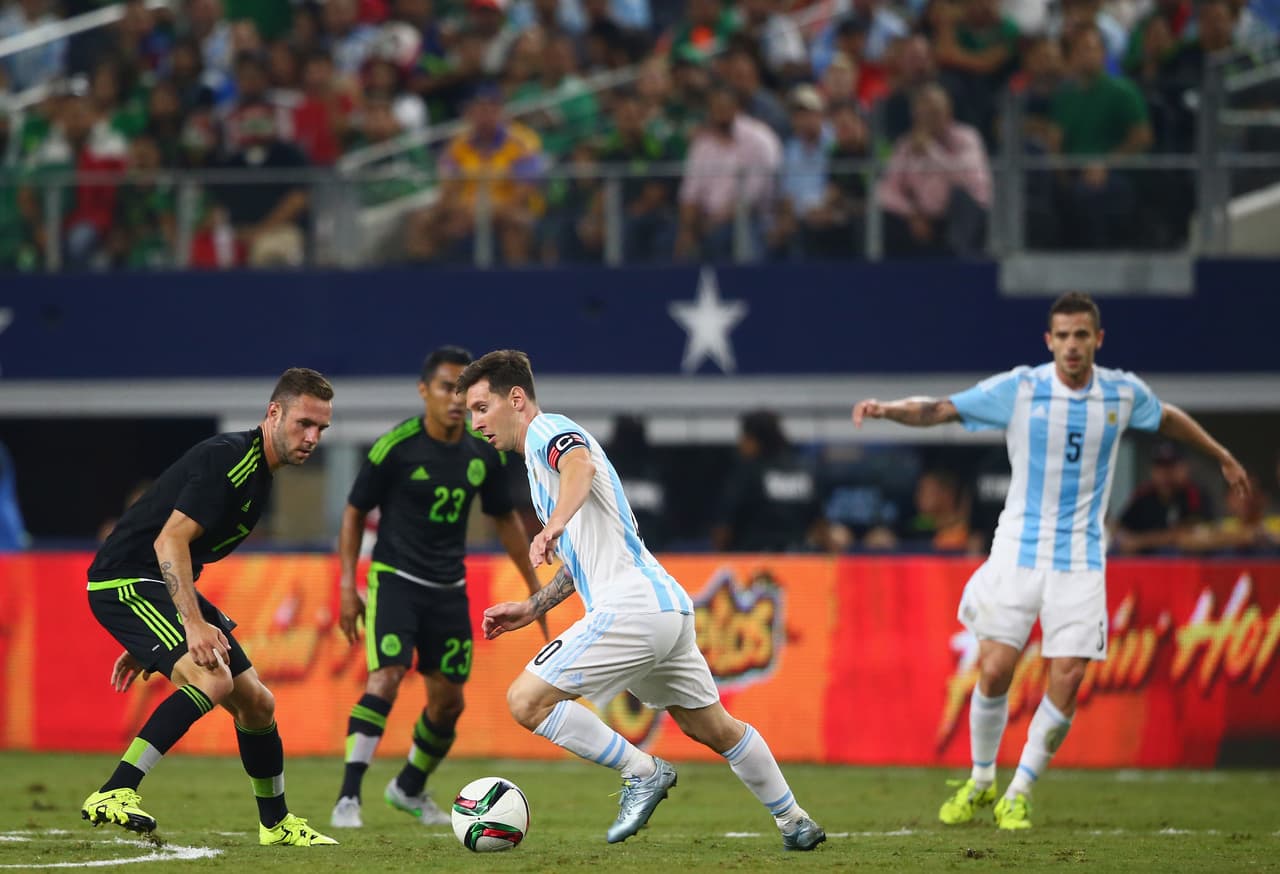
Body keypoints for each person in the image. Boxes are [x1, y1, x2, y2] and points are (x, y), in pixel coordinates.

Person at [852, 292, 1249, 829]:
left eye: (1081, 335)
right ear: (1049, 341)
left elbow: (1169, 418)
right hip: (1018, 549)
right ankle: (981, 780)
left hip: (1081, 558)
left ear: (1097, 340)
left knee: (1068, 674)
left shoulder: (1121, 393)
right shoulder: (1022, 388)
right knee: (994, 670)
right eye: (1062, 336)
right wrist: (887, 410)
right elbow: (942, 408)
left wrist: (1221, 454)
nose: (1071, 346)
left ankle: (1020, 790)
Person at [457, 350, 826, 852]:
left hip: (630, 607)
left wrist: (555, 523)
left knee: (526, 700)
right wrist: (534, 606)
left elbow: (580, 467)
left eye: (481, 407)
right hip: (663, 607)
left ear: (515, 399)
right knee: (712, 727)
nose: (476, 422)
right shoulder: (535, 465)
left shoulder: (547, 431)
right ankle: (795, 821)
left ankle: (643, 772)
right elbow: (583, 559)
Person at [81, 368, 338, 847]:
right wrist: (191, 623)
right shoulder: (231, 459)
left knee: (258, 704)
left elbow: (187, 553)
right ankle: (115, 790)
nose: (313, 437)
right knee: (212, 676)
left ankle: (276, 824)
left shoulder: (260, 473)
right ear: (274, 413)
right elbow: (170, 540)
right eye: (304, 423)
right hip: (126, 580)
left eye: (321, 428)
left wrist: (150, 642)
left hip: (155, 583)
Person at [330, 346, 546, 829]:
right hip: (396, 579)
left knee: (449, 703)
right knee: (386, 676)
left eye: (464, 392)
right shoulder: (396, 446)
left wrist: (535, 587)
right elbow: (353, 512)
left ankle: (407, 787)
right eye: (446, 388)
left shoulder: (480, 450)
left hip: (449, 586)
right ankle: (348, 799)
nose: (455, 400)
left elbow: (505, 519)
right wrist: (349, 584)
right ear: (424, 390)